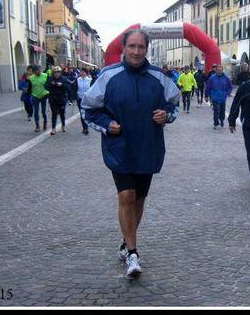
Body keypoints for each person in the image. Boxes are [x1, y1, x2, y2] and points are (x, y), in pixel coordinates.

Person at [81, 29, 180, 278]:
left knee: (139, 200)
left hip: (148, 147)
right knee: (127, 195)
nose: (136, 51)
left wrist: (166, 115)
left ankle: (126, 242)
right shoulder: (108, 76)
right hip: (120, 147)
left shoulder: (160, 77)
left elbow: (174, 104)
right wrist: (107, 124)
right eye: (132, 46)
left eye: (141, 47)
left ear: (147, 49)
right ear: (124, 48)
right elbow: (88, 109)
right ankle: (133, 253)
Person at [204, 64, 233, 130]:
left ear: (222, 70)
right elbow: (208, 87)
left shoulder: (226, 78)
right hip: (215, 97)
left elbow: (230, 87)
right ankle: (216, 123)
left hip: (223, 97)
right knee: (216, 111)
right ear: (216, 70)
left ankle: (222, 120)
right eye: (218, 70)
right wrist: (206, 96)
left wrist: (227, 93)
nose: (219, 71)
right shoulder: (212, 78)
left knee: (222, 111)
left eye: (220, 70)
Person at [45, 66, 71, 135]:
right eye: (55, 72)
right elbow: (46, 87)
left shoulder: (64, 79)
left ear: (60, 73)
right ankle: (53, 128)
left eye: (58, 72)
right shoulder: (50, 79)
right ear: (53, 73)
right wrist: (52, 84)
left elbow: (68, 87)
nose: (57, 74)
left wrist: (61, 85)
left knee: (62, 113)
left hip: (62, 99)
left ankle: (63, 125)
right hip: (53, 99)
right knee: (54, 114)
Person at [29, 65, 50, 132]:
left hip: (44, 95)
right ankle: (37, 125)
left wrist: (50, 93)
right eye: (37, 70)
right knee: (36, 111)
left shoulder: (45, 75)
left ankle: (45, 123)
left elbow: (49, 84)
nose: (39, 71)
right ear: (34, 71)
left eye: (40, 70)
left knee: (43, 111)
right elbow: (29, 87)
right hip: (35, 95)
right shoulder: (31, 78)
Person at [73, 67, 93, 135]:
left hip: (87, 100)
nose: (82, 73)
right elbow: (74, 89)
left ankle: (86, 126)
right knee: (82, 114)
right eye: (81, 72)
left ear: (86, 73)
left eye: (83, 72)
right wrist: (75, 96)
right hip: (80, 99)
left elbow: (92, 89)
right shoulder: (77, 80)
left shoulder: (90, 80)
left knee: (87, 114)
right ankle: (85, 128)